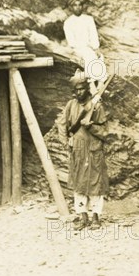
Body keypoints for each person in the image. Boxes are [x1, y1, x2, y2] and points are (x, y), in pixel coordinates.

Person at [60, 70, 109, 230]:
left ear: (87, 88)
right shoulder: (71, 105)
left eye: (81, 88)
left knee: (96, 184)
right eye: (76, 90)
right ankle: (83, 217)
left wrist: (92, 127)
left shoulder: (97, 106)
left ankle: (96, 217)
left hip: (94, 150)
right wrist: (66, 141)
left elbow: (105, 132)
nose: (79, 92)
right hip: (78, 151)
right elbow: (62, 124)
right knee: (79, 184)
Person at [63, 0, 108, 94]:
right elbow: (71, 42)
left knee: (99, 56)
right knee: (88, 57)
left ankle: (100, 83)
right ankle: (92, 85)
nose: (78, 8)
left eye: (79, 5)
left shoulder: (88, 19)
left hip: (88, 47)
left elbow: (93, 35)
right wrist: (77, 52)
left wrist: (96, 48)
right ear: (71, 7)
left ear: (82, 6)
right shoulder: (68, 22)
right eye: (75, 5)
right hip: (77, 48)